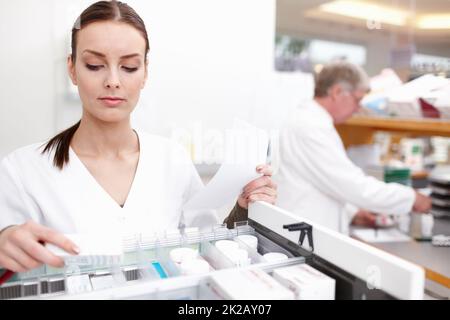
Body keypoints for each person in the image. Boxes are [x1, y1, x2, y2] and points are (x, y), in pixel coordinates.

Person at [0, 0, 276, 273]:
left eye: (129, 67)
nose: (113, 81)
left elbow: (207, 248)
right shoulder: (22, 170)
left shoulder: (172, 159)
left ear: (145, 72)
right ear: (72, 68)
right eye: (95, 65)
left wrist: (244, 208)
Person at [273, 61, 431, 234]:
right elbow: (354, 186)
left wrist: (352, 212)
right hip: (303, 233)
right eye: (358, 99)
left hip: (306, 228)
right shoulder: (310, 127)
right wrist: (411, 197)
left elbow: (321, 182)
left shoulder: (312, 121)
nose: (358, 108)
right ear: (337, 92)